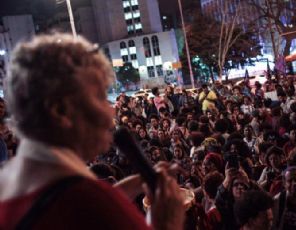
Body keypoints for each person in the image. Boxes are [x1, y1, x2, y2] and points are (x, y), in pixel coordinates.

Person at [0, 34, 184, 229]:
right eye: (99, 96)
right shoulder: (91, 203)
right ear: (60, 110)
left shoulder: (8, 181)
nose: (111, 110)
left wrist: (136, 184)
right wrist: (166, 222)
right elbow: (87, 207)